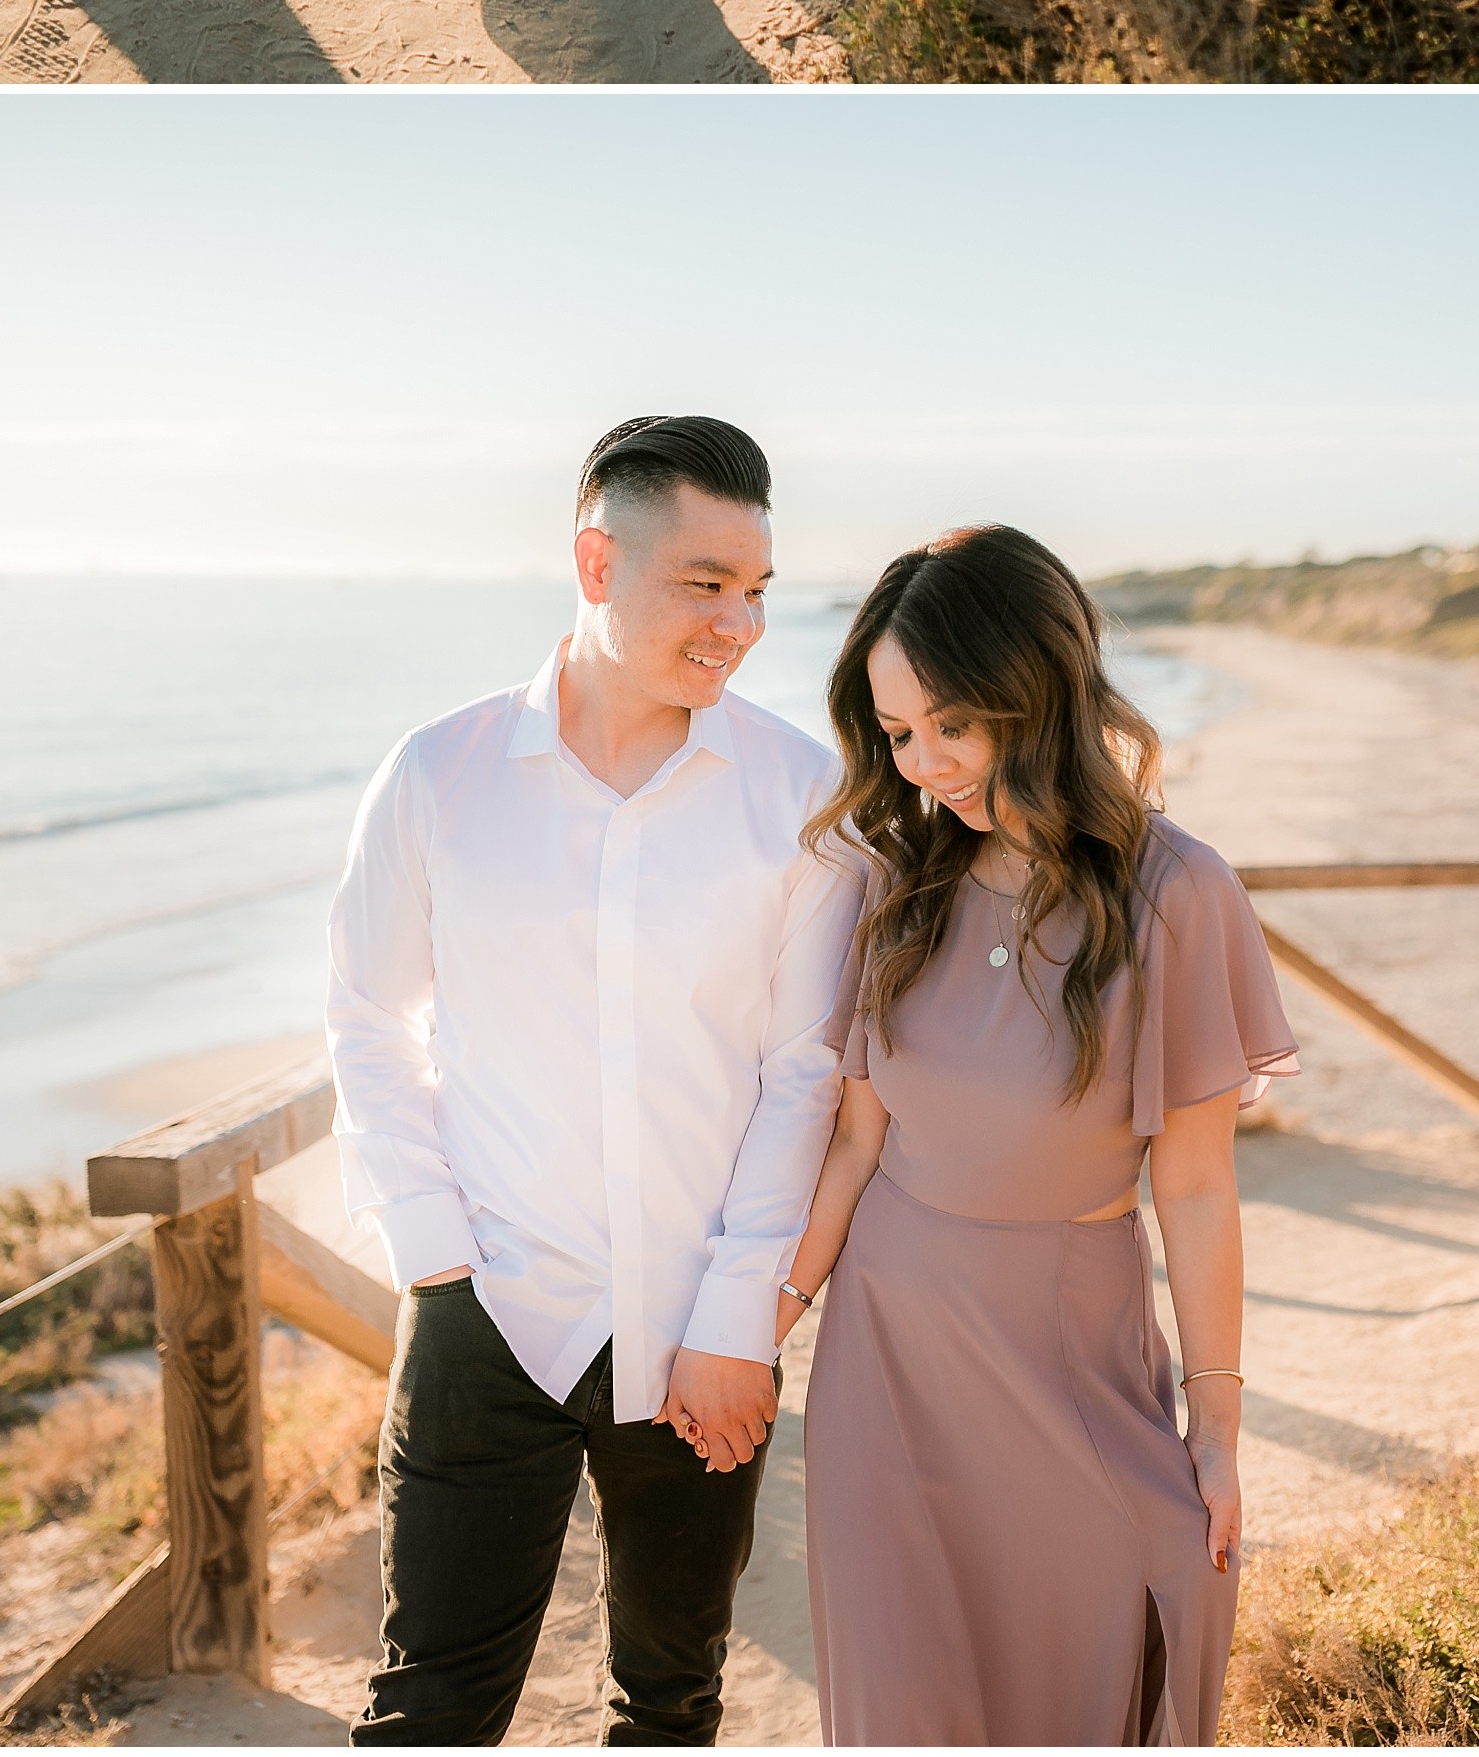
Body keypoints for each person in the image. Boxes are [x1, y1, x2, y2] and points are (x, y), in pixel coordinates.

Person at [327, 411, 862, 1748]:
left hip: (703, 1328)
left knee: (672, 1702)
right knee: (428, 1711)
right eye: (704, 584)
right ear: (593, 563)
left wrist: (746, 1316)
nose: (739, 624)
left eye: (755, 591)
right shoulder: (440, 773)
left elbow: (801, 1078)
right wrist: (433, 1255)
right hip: (485, 1314)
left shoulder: (802, 794)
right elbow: (366, 1018)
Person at [777, 526, 1297, 1749]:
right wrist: (760, 1324)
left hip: (1063, 1347)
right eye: (898, 733)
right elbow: (854, 1147)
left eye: (950, 722)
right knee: (906, 1706)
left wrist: (1215, 1431)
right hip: (884, 1367)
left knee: (1144, 1602)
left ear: (1037, 685)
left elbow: (1200, 1190)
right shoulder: (899, 882)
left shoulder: (1178, 891)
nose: (925, 766)